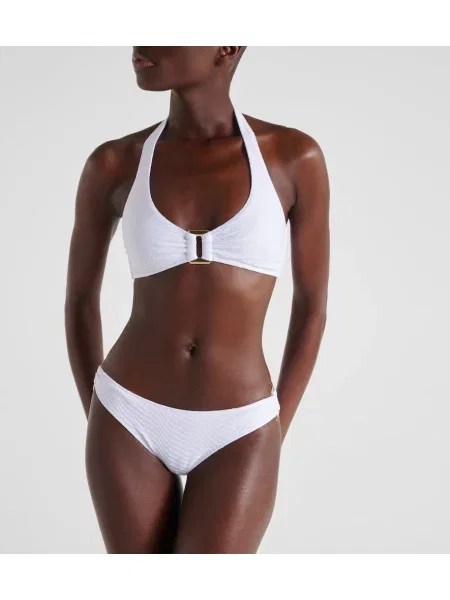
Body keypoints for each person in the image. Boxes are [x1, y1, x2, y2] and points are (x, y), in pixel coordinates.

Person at [65, 46, 330, 554]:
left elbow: (312, 306)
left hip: (241, 425)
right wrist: (100, 410)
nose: (142, 42)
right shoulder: (115, 162)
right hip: (128, 414)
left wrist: (275, 425)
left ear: (227, 46)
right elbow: (79, 301)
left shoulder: (294, 157)